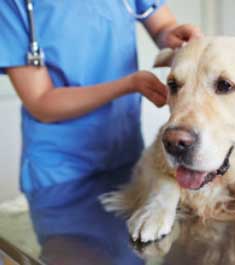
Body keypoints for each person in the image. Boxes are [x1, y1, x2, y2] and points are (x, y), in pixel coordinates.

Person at [0, 0, 202, 263]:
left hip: (125, 158)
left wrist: (172, 35)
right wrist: (128, 85)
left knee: (131, 252)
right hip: (61, 174)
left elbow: (162, 25)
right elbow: (41, 101)